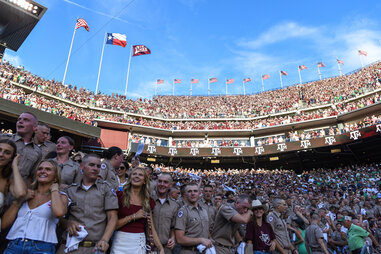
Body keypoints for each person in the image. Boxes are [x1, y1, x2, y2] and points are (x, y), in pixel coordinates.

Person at [2, 159, 69, 253]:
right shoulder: (26, 194)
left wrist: (54, 190)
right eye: (40, 169)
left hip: (41, 247)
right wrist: (19, 200)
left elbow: (58, 213)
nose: (43, 171)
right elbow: (4, 224)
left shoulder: (60, 196)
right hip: (15, 245)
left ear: (55, 175)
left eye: (48, 169)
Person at [56, 154, 118, 254]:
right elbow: (59, 217)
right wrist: (68, 223)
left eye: (98, 166)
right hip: (69, 247)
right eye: (92, 165)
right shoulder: (70, 190)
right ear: (82, 166)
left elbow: (112, 216)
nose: (95, 168)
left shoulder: (106, 189)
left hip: (94, 248)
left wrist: (105, 239)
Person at [111, 166, 164, 254]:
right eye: (134, 174)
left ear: (144, 181)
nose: (136, 176)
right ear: (130, 177)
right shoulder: (119, 196)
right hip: (120, 241)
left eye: (140, 175)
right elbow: (112, 225)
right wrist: (133, 216)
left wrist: (160, 247)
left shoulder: (148, 201)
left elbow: (151, 228)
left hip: (138, 242)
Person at [0, 112, 42, 181]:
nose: (20, 121)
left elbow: (31, 176)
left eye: (26, 120)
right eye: (19, 119)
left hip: (17, 189)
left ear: (35, 128)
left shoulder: (37, 151)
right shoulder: (3, 139)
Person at [175, 183, 212, 253]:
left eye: (195, 191)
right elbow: (179, 239)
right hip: (189, 251)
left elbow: (206, 231)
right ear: (185, 195)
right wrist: (201, 240)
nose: (192, 193)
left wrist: (210, 240)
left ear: (199, 193)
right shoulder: (183, 211)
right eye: (189, 191)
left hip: (204, 251)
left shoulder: (203, 211)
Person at [0, 139, 27, 228]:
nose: (1, 154)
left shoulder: (7, 181)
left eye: (7, 153)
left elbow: (21, 193)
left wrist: (15, 166)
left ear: (12, 158)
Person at [152, 172, 179, 254]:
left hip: (166, 248)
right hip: (148, 246)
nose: (162, 184)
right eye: (160, 181)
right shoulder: (148, 200)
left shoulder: (174, 205)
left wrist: (173, 238)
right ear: (156, 182)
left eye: (165, 182)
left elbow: (173, 226)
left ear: (170, 185)